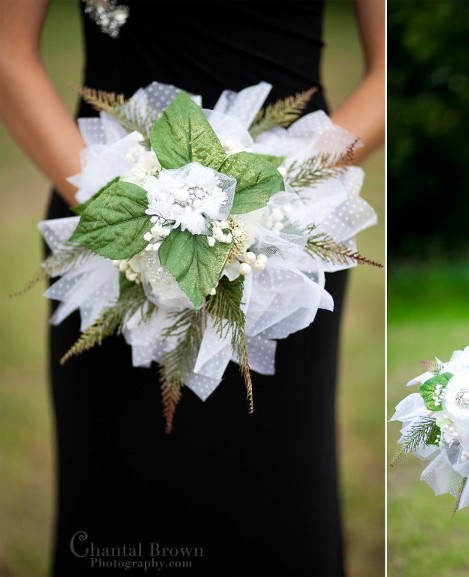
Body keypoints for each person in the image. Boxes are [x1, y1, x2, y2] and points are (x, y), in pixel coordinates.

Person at [0, 1, 383, 576]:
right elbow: (10, 53)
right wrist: (130, 216)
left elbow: (386, 69)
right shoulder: (111, 210)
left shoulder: (277, 219)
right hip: (103, 203)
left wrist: (272, 202)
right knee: (119, 491)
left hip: (279, 238)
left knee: (274, 489)